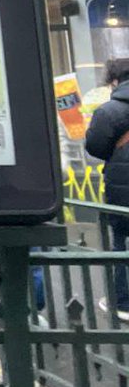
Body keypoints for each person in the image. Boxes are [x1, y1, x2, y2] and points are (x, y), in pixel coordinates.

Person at [85, 56, 129, 320]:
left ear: (115, 81)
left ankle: (123, 301)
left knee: (121, 242)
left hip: (123, 191)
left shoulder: (108, 111)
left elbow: (96, 148)